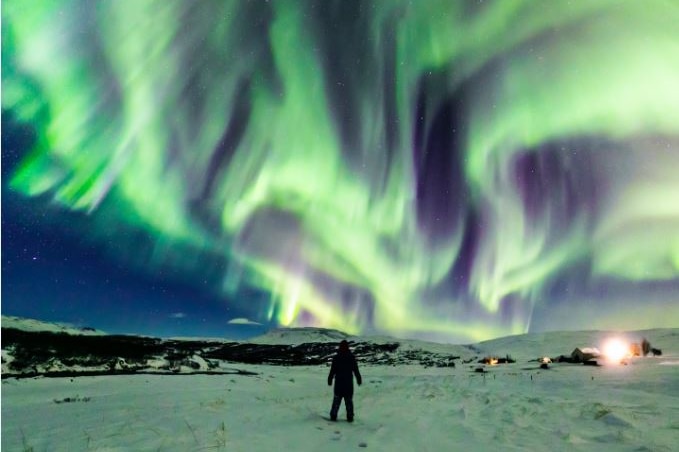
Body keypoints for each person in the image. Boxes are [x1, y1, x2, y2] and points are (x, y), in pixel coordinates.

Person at [327, 340, 362, 422]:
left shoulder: (337, 357)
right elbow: (356, 370)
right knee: (348, 401)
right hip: (348, 384)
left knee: (337, 401)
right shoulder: (351, 357)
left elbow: (332, 370)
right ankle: (350, 417)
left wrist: (330, 379)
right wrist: (358, 379)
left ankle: (333, 415)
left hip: (339, 384)